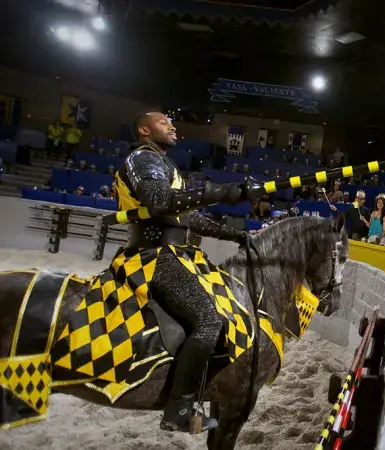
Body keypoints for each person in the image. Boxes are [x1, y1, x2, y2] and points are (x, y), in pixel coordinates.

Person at [89, 110, 265, 432]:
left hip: (177, 254)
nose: (171, 126)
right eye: (162, 122)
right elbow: (158, 200)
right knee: (210, 320)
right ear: (144, 130)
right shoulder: (142, 159)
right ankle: (179, 408)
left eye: (171, 122)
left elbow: (186, 218)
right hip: (152, 257)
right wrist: (224, 192)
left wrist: (234, 233)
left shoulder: (166, 166)